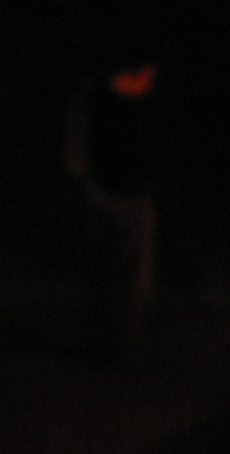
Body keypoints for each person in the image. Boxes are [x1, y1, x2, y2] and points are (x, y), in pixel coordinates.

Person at [67, 55, 163, 359]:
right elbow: (77, 143)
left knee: (108, 272)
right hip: (121, 198)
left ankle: (108, 341)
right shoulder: (101, 97)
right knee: (130, 278)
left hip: (108, 194)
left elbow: (75, 143)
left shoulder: (92, 94)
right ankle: (120, 344)